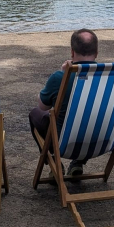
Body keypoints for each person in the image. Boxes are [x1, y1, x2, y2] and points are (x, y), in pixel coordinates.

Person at [29, 29, 98, 177]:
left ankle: (55, 163)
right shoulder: (109, 77)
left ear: (72, 52)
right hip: (100, 140)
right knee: (88, 117)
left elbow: (43, 106)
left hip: (64, 143)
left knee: (34, 114)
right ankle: (78, 162)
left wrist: (63, 73)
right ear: (96, 53)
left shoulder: (59, 77)